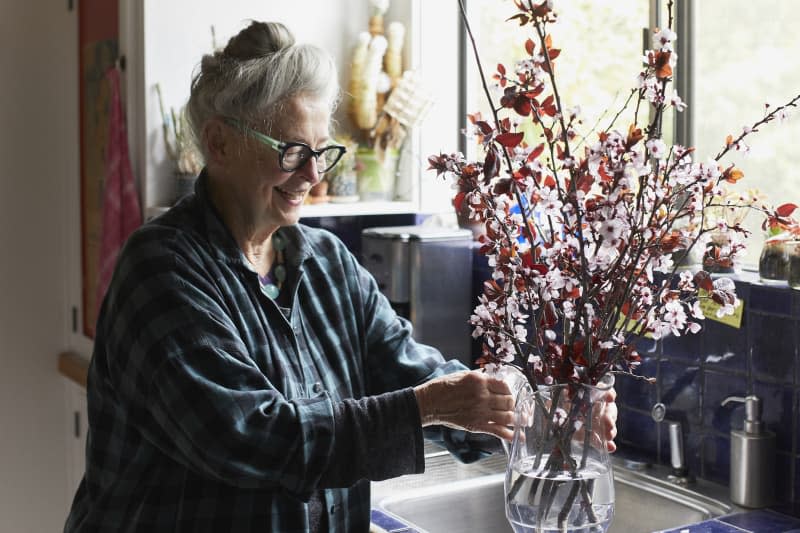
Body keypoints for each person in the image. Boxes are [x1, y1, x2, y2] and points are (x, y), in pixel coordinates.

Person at [64, 20, 617, 533]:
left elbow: (409, 368)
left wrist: (546, 415)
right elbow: (253, 437)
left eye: (320, 152)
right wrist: (429, 407)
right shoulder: (162, 270)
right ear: (219, 143)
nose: (312, 174)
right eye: (290, 151)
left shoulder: (327, 263)